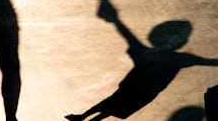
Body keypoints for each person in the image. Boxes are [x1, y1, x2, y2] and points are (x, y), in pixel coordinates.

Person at [66, 10, 218, 121]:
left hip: (138, 90)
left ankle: (85, 117)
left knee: (112, 104)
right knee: (112, 105)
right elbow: (209, 62)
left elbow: (127, 36)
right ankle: (85, 117)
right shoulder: (177, 58)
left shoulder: (159, 55)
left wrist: (116, 20)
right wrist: (116, 21)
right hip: (139, 91)